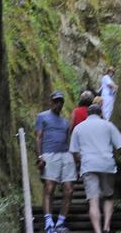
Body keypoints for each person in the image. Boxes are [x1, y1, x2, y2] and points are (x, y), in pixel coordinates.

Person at [70, 103, 121, 233]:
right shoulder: (108, 125)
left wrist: (80, 162)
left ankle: (97, 231)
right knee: (108, 197)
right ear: (100, 113)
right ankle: (107, 226)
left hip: (88, 165)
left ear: (88, 114)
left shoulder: (78, 128)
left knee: (93, 201)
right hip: (106, 164)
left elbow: (74, 152)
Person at [35, 91, 75, 233]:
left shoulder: (65, 122)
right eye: (56, 101)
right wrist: (40, 157)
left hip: (66, 155)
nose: (58, 104)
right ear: (51, 102)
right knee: (49, 188)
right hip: (49, 154)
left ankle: (60, 223)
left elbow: (68, 140)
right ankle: (48, 223)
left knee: (69, 190)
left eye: (60, 102)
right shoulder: (42, 117)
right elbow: (39, 137)